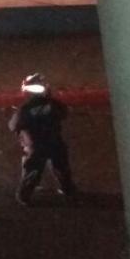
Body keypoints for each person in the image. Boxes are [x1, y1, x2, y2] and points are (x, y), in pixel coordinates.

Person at [9, 73, 77, 205]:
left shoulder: (26, 109)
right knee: (56, 167)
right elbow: (63, 113)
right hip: (48, 141)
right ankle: (68, 190)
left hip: (39, 143)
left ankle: (25, 195)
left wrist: (22, 134)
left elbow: (13, 125)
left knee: (37, 169)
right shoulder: (50, 105)